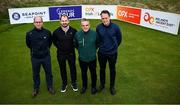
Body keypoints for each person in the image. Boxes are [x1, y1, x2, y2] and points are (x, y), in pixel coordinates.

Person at [26, 16, 55, 97]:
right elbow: (28, 45)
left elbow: (49, 43)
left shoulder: (47, 32)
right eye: (36, 22)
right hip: (35, 57)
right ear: (34, 23)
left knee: (48, 73)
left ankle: (50, 87)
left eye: (40, 22)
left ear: (42, 22)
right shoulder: (29, 33)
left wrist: (45, 50)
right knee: (35, 74)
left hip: (46, 57)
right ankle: (36, 88)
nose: (38, 23)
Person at [96, 10, 122, 95]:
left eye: (106, 18)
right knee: (102, 69)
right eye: (102, 18)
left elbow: (119, 39)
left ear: (109, 17)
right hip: (102, 53)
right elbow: (98, 39)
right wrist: (101, 46)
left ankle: (112, 87)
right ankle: (102, 85)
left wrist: (114, 47)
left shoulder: (116, 27)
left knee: (112, 70)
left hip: (112, 53)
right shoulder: (98, 27)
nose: (104, 20)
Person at [52, 14, 78, 93]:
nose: (64, 22)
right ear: (60, 21)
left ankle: (73, 82)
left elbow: (76, 42)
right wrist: (60, 47)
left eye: (66, 20)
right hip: (61, 54)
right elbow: (54, 42)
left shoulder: (74, 31)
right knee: (62, 69)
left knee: (73, 68)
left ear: (68, 21)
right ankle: (64, 83)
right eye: (62, 21)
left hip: (71, 53)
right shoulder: (56, 32)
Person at [74, 18, 98, 95]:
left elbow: (97, 44)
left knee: (93, 73)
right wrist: (82, 51)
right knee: (83, 73)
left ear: (89, 25)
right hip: (82, 59)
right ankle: (84, 86)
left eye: (87, 25)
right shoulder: (77, 34)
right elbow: (76, 45)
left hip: (92, 58)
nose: (85, 27)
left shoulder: (94, 34)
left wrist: (92, 50)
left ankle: (94, 86)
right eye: (83, 25)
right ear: (81, 26)